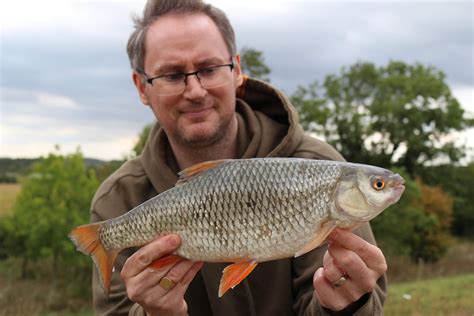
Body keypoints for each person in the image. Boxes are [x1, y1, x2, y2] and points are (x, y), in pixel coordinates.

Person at [90, 0, 387, 315]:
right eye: (173, 75)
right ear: (142, 87)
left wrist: (343, 305)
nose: (195, 90)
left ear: (237, 71)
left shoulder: (322, 167)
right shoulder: (118, 200)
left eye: (209, 69)